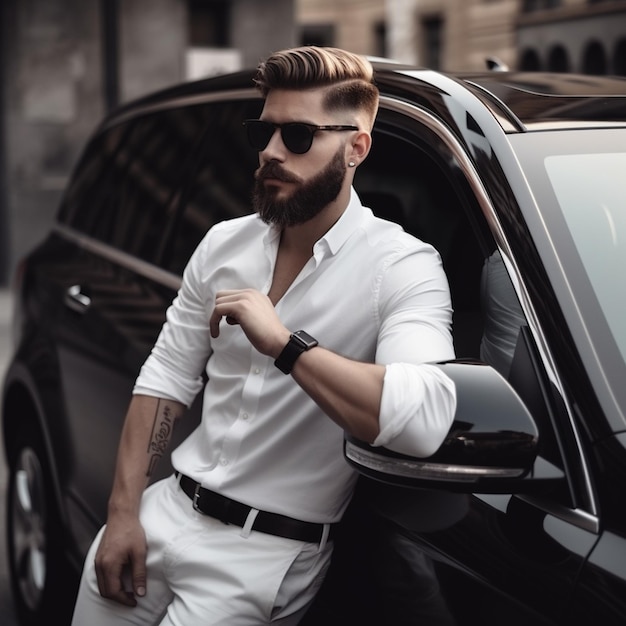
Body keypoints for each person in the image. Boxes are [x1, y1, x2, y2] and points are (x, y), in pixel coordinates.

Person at [71, 45, 457, 626]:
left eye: (298, 137)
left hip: (263, 556)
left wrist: (285, 344)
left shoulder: (402, 267)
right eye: (265, 131)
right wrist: (124, 513)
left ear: (356, 147)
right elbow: (167, 376)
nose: (271, 152)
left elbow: (424, 418)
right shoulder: (224, 243)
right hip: (163, 512)